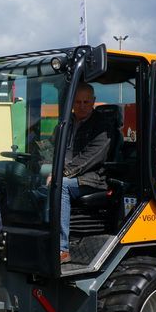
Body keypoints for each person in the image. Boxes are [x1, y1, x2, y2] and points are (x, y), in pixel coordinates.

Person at [58, 83, 112, 263]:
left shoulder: (102, 127)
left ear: (93, 102)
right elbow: (52, 146)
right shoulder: (66, 123)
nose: (81, 106)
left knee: (61, 187)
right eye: (78, 101)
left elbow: (90, 158)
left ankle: (61, 248)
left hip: (91, 179)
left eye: (86, 102)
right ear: (72, 102)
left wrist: (62, 173)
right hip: (64, 172)